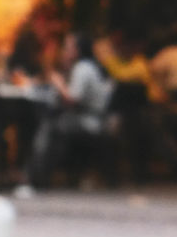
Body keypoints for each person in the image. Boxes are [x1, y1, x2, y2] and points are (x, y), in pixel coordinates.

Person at [26, 32, 115, 189]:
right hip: (94, 118)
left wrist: (59, 82)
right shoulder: (88, 66)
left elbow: (72, 99)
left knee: (49, 126)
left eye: (68, 47)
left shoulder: (83, 68)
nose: (64, 51)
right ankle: (44, 175)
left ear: (78, 50)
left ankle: (37, 177)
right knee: (53, 123)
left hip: (90, 120)